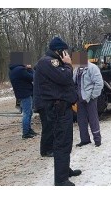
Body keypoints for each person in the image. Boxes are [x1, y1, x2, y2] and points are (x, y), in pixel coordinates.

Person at [34, 37, 81, 186]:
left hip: (62, 107)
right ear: (58, 50)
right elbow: (65, 77)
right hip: (57, 109)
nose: (67, 54)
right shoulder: (48, 62)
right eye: (64, 51)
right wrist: (69, 65)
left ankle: (64, 170)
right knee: (62, 142)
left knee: (66, 141)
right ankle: (61, 180)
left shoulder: (54, 62)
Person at [73, 60, 104, 147]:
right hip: (80, 99)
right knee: (81, 120)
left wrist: (93, 96)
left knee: (93, 119)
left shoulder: (92, 68)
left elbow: (99, 83)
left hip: (90, 98)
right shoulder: (76, 70)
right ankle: (85, 139)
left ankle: (97, 139)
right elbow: (74, 83)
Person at [9, 60, 38, 139]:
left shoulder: (12, 70)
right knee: (27, 113)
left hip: (20, 94)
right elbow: (33, 77)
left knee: (29, 112)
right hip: (26, 94)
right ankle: (26, 133)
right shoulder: (21, 70)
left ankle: (28, 130)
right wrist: (29, 69)